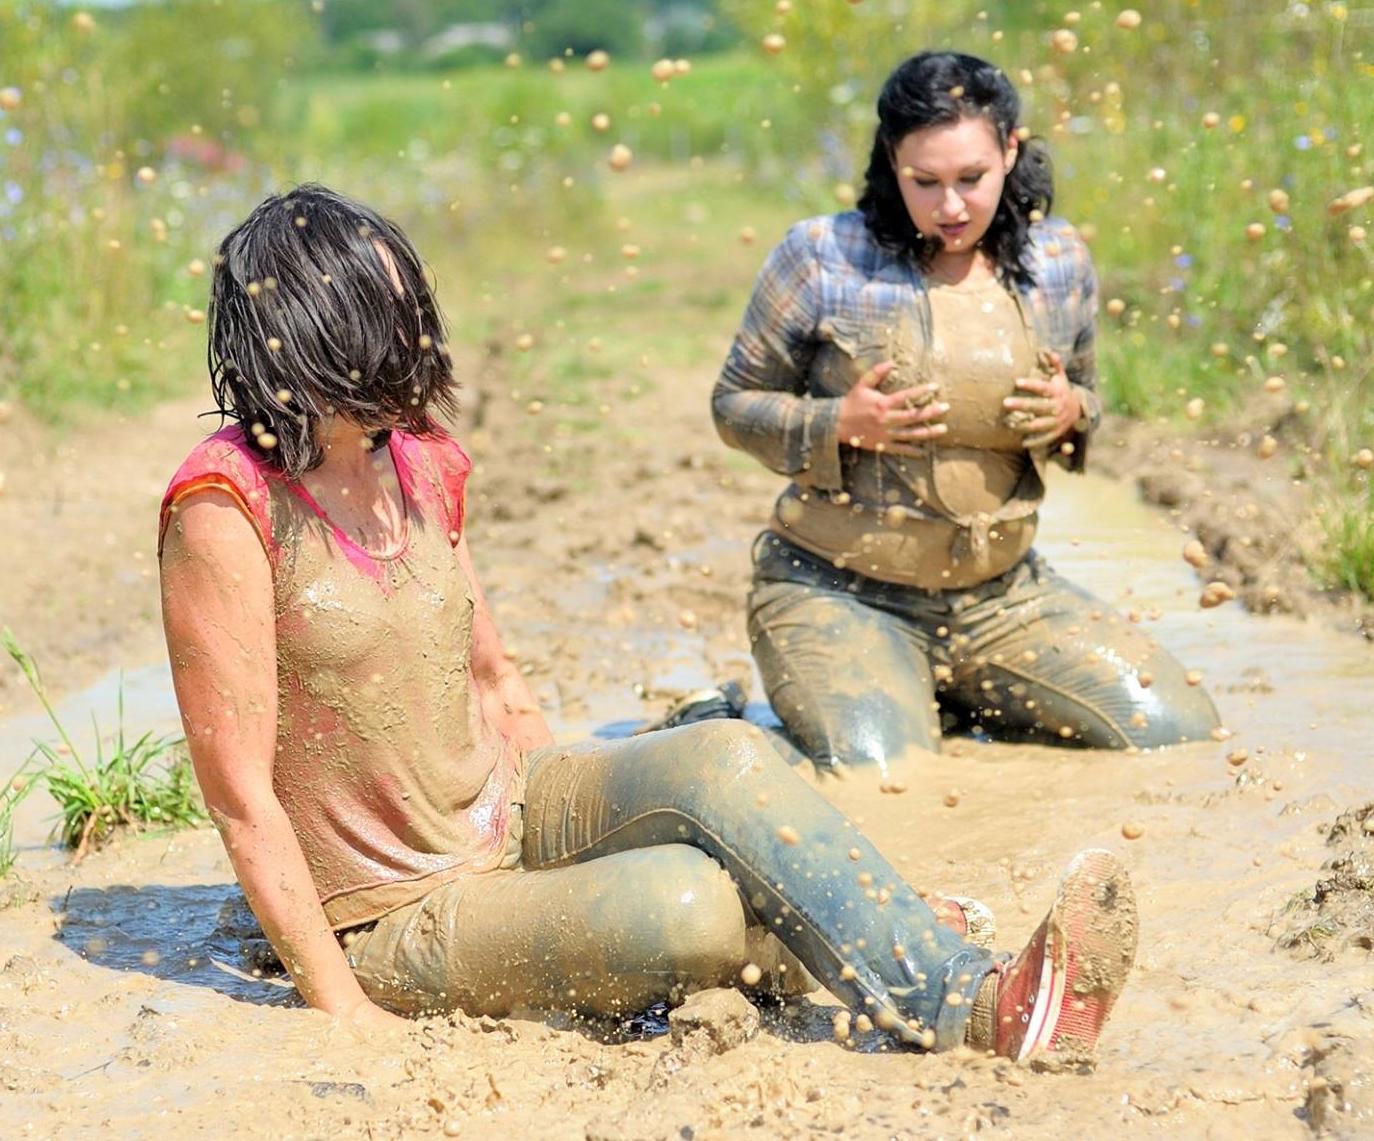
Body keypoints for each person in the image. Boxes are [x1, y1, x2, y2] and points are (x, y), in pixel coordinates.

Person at [158, 183, 1136, 1063]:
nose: (414, 348)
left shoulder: (416, 459)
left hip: (514, 801)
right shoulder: (226, 508)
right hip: (393, 910)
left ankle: (978, 1000)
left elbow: (495, 679)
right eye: (385, 325)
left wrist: (582, 828)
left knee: (726, 757)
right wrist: (341, 1006)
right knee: (685, 903)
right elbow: (241, 794)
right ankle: (848, 920)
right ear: (308, 335)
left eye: (411, 318)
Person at [710, 51, 1221, 779]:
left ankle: (933, 695)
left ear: (1011, 150)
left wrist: (1073, 410)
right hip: (839, 588)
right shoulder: (822, 256)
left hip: (1004, 597)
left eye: (971, 179)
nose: (950, 206)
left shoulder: (1059, 261)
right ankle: (726, 725)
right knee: (882, 780)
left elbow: (1087, 405)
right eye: (924, 182)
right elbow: (732, 405)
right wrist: (839, 424)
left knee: (1177, 729)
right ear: (891, 161)